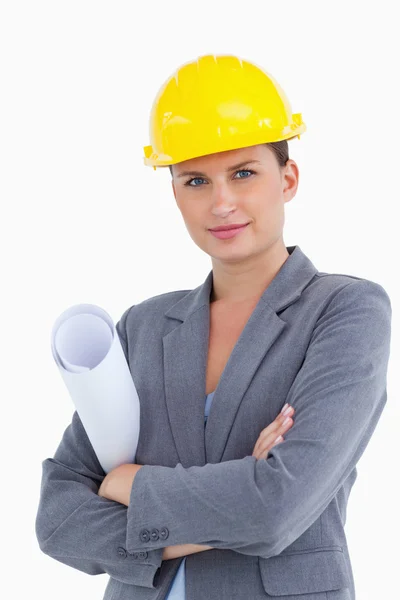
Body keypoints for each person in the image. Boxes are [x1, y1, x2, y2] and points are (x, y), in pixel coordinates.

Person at [35, 54, 392, 600]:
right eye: (196, 179)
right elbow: (59, 518)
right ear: (175, 193)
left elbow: (275, 510)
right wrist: (233, 496)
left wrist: (130, 485)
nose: (222, 202)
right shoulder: (144, 327)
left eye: (244, 173)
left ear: (288, 178)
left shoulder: (345, 311)